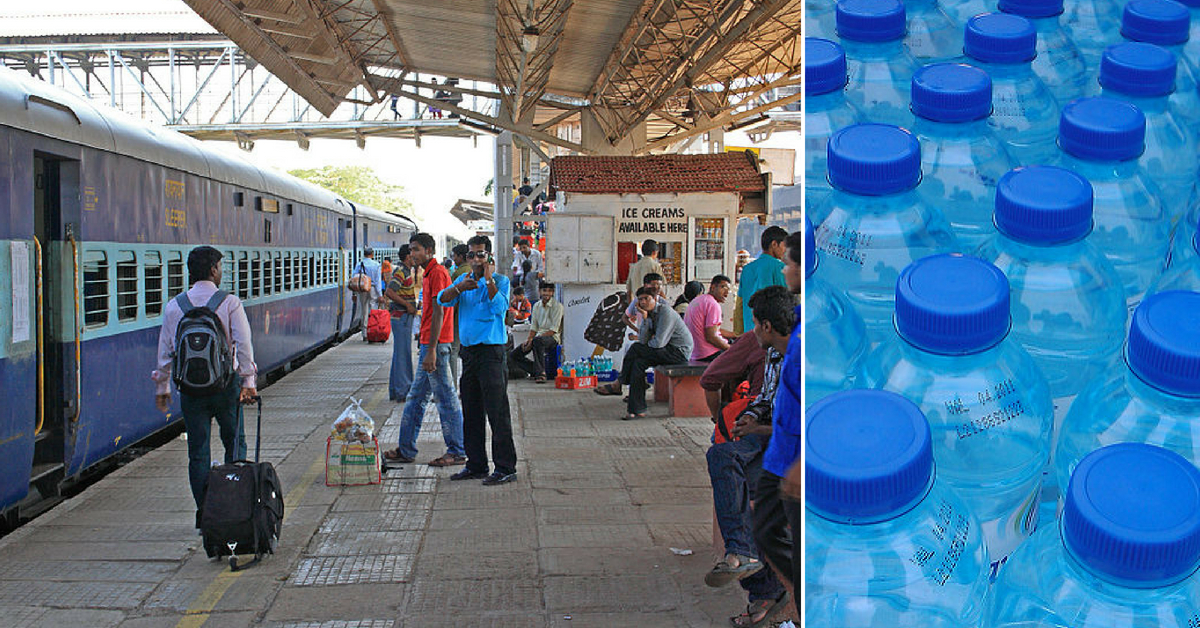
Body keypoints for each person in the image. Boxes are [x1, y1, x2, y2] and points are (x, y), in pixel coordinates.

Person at [701, 289, 793, 627]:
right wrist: (750, 419)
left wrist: (761, 430)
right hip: (773, 438)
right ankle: (744, 555)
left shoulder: (803, 357)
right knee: (722, 458)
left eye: (755, 325)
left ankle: (764, 584)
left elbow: (806, 425)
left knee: (763, 510)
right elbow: (767, 398)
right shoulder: (771, 353)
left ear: (767, 326)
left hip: (799, 450)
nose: (752, 332)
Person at [152, 246, 257, 521]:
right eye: (220, 267)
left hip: (190, 391)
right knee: (234, 445)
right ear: (213, 270)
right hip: (226, 386)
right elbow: (243, 344)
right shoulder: (230, 302)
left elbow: (166, 350)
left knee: (197, 452)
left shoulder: (176, 305)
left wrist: (162, 387)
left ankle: (204, 513)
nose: (221, 272)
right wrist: (248, 381)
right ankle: (234, 506)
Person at [437, 235, 518, 486]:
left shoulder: (502, 281)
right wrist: (461, 287)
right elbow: (443, 299)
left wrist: (489, 279)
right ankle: (476, 465)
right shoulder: (463, 280)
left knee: (497, 412)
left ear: (489, 257)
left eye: (480, 254)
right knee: (471, 412)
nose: (475, 259)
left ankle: (505, 467)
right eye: (471, 255)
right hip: (469, 354)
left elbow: (499, 309)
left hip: (491, 354)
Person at [386, 233, 466, 467]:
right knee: (416, 398)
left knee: (446, 398)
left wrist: (431, 349)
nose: (413, 254)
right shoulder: (429, 273)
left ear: (429, 251)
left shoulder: (438, 273)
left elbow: (440, 311)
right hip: (430, 343)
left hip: (437, 345)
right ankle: (406, 448)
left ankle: (457, 450)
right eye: (411, 250)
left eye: (417, 249)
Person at [752, 232, 803, 591]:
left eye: (788, 264)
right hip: (779, 455)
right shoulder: (795, 322)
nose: (784, 270)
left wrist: (802, 465)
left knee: (796, 545)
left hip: (796, 459)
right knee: (766, 531)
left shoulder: (801, 349)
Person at [595, 286, 693, 419]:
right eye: (640, 300)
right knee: (638, 364)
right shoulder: (648, 314)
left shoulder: (665, 312)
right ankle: (636, 410)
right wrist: (645, 319)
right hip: (663, 351)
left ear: (655, 299)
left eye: (646, 299)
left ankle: (622, 380)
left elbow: (658, 343)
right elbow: (643, 340)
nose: (643, 302)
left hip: (678, 352)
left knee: (635, 349)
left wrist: (646, 344)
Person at [737, 227, 788, 333]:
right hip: (771, 335)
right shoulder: (780, 268)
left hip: (749, 334)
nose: (785, 250)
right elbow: (788, 302)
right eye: (784, 246)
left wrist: (739, 335)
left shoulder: (746, 269)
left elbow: (739, 305)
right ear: (774, 244)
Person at [510, 283, 563, 383]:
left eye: (549, 291)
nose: (546, 293)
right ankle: (534, 371)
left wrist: (534, 339)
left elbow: (553, 330)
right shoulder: (537, 306)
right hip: (537, 338)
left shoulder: (557, 306)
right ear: (539, 291)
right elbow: (534, 327)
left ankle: (541, 374)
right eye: (544, 290)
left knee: (538, 341)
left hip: (552, 338)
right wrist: (529, 340)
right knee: (514, 355)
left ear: (552, 292)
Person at [384, 245, 418, 401]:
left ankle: (396, 390)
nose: (415, 257)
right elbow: (390, 292)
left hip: (402, 317)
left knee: (400, 354)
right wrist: (407, 305)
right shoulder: (401, 272)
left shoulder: (404, 271)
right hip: (401, 317)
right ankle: (404, 390)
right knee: (403, 354)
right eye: (412, 254)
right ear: (407, 257)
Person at [685, 275, 734, 362]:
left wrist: (736, 335)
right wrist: (733, 350)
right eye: (723, 287)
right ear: (713, 287)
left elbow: (713, 329)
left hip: (694, 353)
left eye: (728, 289)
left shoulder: (698, 300)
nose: (726, 292)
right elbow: (711, 337)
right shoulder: (713, 304)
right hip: (708, 354)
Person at [449, 244, 471, 385]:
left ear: (461, 256)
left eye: (454, 256)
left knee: (453, 350)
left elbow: (452, 298)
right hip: (470, 317)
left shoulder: (458, 274)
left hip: (459, 316)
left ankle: (452, 386)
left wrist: (450, 317)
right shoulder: (471, 270)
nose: (453, 259)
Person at [352, 247, 383, 341]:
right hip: (373, 288)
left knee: (364, 310)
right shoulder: (376, 264)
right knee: (373, 309)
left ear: (364, 254)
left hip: (363, 288)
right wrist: (380, 294)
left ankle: (365, 334)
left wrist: (354, 293)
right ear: (372, 254)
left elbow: (354, 278)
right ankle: (372, 331)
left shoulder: (359, 264)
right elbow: (378, 281)